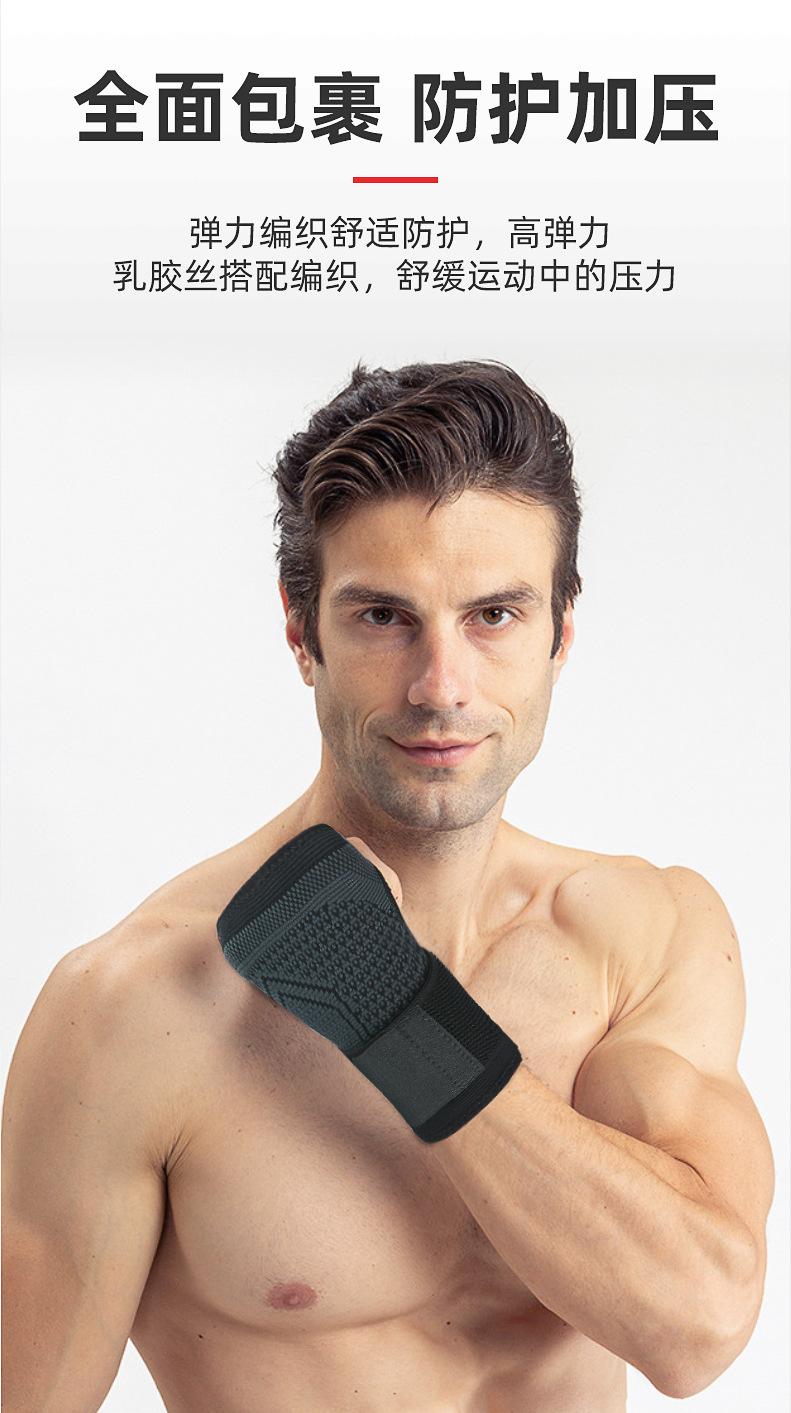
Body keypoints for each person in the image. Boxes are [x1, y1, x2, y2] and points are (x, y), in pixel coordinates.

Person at [3, 360, 774, 1412]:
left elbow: (698, 1330)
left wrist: (400, 1016)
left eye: (493, 614)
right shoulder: (132, 1007)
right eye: (381, 616)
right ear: (300, 631)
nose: (440, 686)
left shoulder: (641, 938)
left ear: (560, 631)